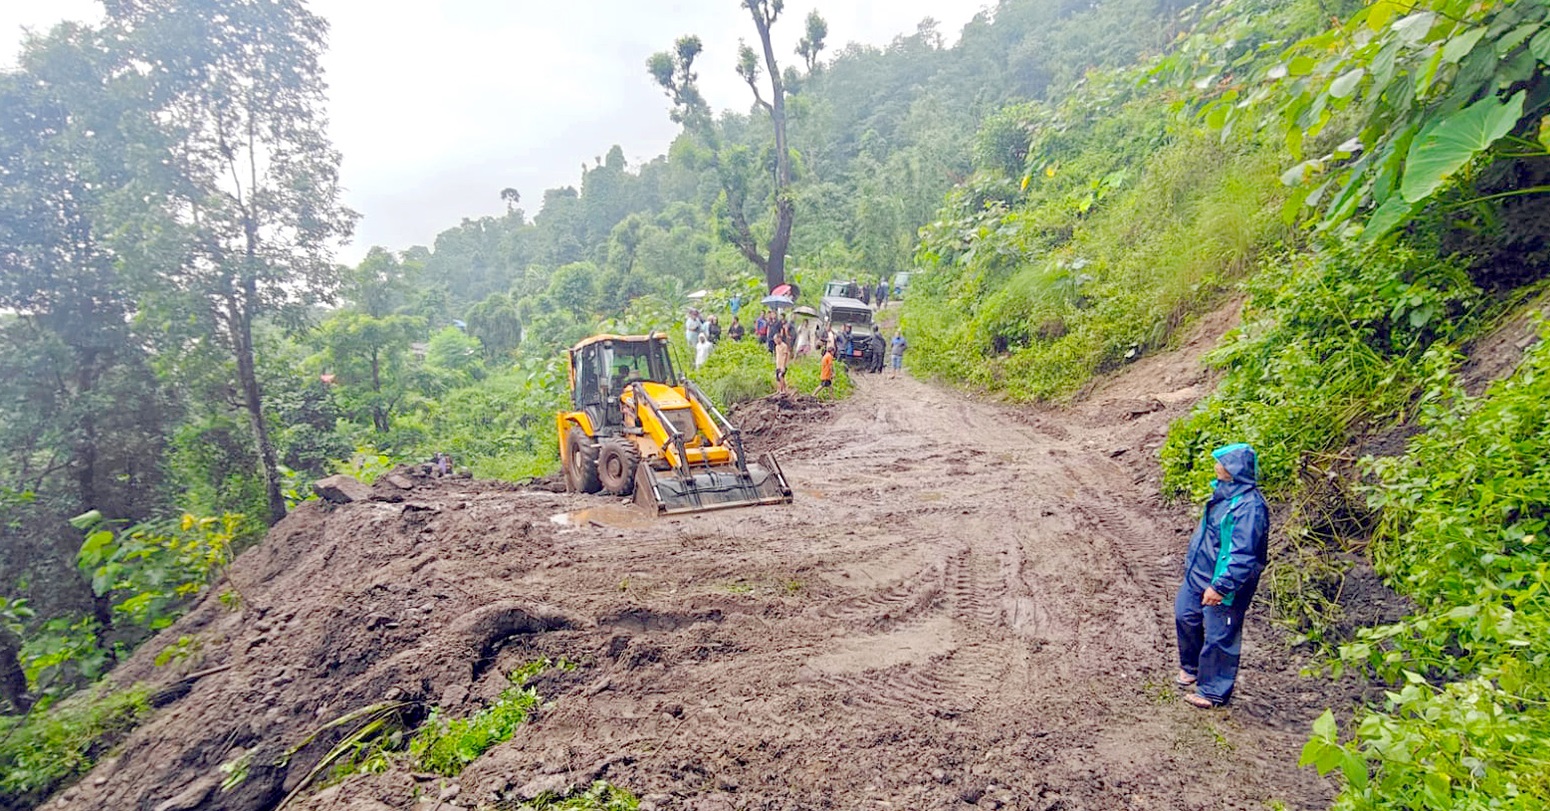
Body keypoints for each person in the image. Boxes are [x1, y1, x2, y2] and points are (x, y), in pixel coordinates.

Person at [1175, 443, 1269, 709]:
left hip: (1227, 582)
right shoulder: (1223, 493)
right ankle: (1191, 667)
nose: (1216, 466)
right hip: (1199, 572)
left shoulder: (1250, 508)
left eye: (1221, 463)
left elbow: (1244, 555)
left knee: (1220, 635)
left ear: (1233, 469)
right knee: (1185, 615)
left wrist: (1221, 587)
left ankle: (1212, 692)